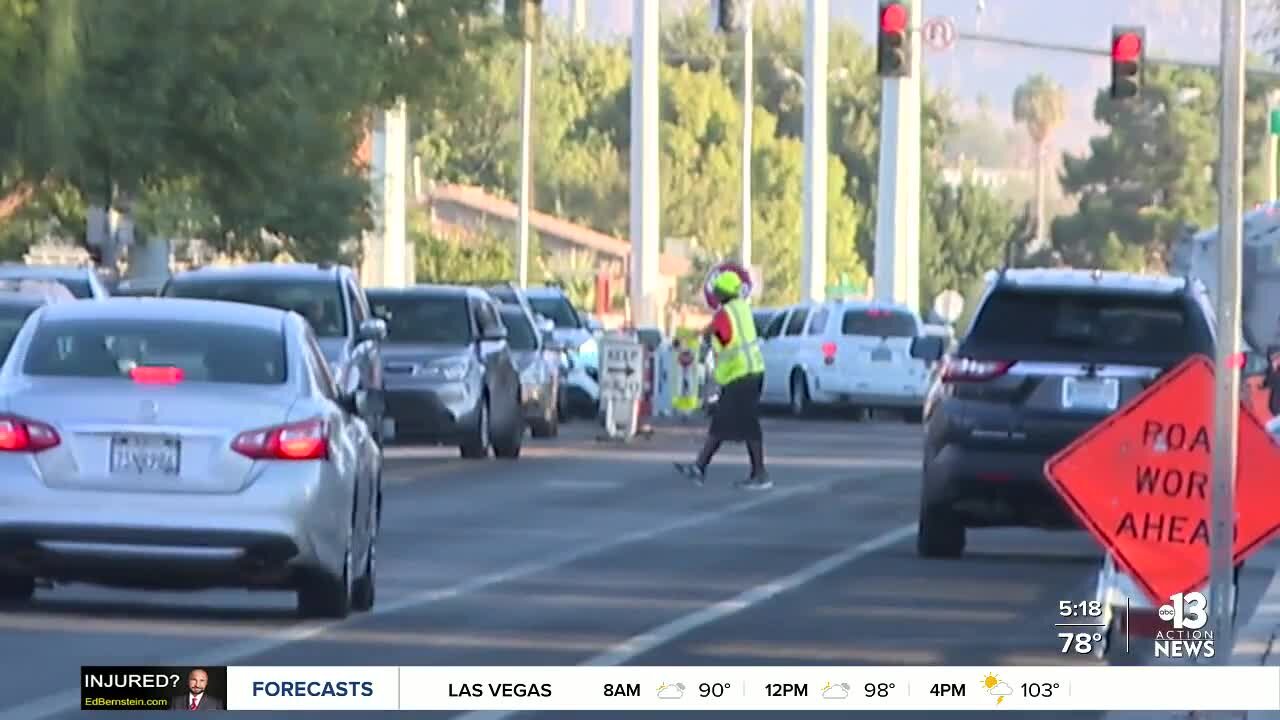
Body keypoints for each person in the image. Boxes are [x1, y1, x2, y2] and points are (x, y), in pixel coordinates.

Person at [674, 269, 769, 489]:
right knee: (734, 423)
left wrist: (688, 338)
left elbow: (715, 333)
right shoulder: (742, 309)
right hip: (753, 374)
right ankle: (702, 467)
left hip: (740, 376)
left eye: (716, 292)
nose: (714, 296)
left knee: (735, 424)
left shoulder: (725, 314)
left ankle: (757, 474)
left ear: (722, 293)